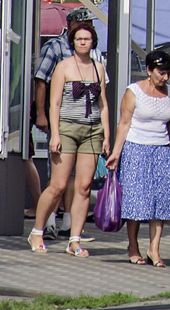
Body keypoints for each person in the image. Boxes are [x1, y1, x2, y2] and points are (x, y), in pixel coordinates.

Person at [27, 19, 110, 256]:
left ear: (93, 42)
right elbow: (54, 103)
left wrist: (106, 135)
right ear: (72, 42)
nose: (83, 42)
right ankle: (37, 231)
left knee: (84, 187)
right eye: (79, 39)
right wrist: (54, 133)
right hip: (67, 129)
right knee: (58, 185)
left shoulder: (98, 67)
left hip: (92, 131)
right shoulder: (63, 67)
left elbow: (103, 104)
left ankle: (74, 240)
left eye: (87, 39)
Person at [106, 50, 170, 267]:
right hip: (136, 148)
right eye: (161, 73)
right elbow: (124, 123)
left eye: (168, 73)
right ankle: (133, 246)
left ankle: (154, 249)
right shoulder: (133, 91)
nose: (165, 77)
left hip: (161, 150)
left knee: (161, 199)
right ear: (149, 70)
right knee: (137, 200)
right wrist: (116, 153)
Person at [29, 7, 92, 237]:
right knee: (56, 174)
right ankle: (47, 223)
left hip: (84, 120)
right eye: (83, 24)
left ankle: (68, 223)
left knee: (76, 175)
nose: (87, 29)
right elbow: (41, 79)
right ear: (72, 24)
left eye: (89, 25)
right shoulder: (55, 47)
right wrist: (41, 113)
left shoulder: (91, 50)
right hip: (60, 120)